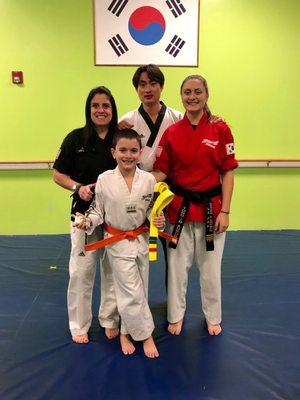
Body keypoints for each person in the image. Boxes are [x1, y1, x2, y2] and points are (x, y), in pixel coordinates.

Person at [153, 75, 238, 336]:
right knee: (177, 268)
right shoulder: (171, 132)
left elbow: (228, 172)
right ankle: (176, 315)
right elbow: (161, 171)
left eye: (197, 92)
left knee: (211, 269)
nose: (192, 96)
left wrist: (226, 210)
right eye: (187, 92)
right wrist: (133, 181)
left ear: (206, 95)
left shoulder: (220, 128)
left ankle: (212, 316)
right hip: (178, 209)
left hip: (212, 210)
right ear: (181, 96)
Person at [75, 129, 165, 358]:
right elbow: (98, 210)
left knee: (139, 288)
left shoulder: (148, 180)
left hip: (141, 240)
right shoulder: (105, 179)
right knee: (130, 289)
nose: (128, 155)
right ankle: (144, 334)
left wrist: (159, 220)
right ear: (113, 152)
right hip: (117, 242)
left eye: (133, 150)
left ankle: (126, 328)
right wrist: (89, 222)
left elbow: (153, 211)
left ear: (141, 153)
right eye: (123, 150)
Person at [53, 86, 120, 344]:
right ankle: (79, 323)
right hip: (84, 214)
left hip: (115, 216)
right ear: (88, 109)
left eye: (106, 106)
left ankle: (110, 319)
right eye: (96, 106)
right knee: (82, 270)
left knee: (113, 269)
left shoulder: (120, 138)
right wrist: (77, 188)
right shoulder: (75, 138)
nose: (101, 110)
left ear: (112, 109)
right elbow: (58, 174)